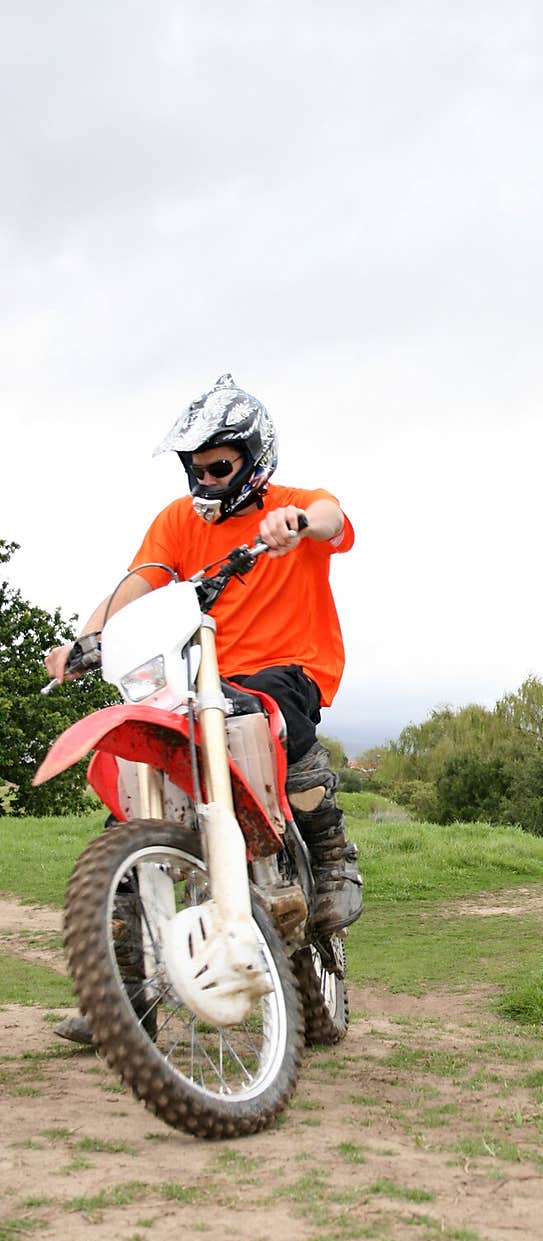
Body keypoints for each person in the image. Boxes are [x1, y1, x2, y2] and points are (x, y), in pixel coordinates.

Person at [45, 373, 362, 1045]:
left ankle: (330, 851)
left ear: (255, 457)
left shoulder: (296, 505)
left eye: (218, 465)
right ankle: (127, 1002)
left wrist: (298, 524)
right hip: (197, 675)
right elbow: (142, 582)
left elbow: (334, 520)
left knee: (268, 713)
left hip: (285, 670)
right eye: (196, 467)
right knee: (124, 813)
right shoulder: (177, 521)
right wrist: (84, 638)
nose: (205, 480)